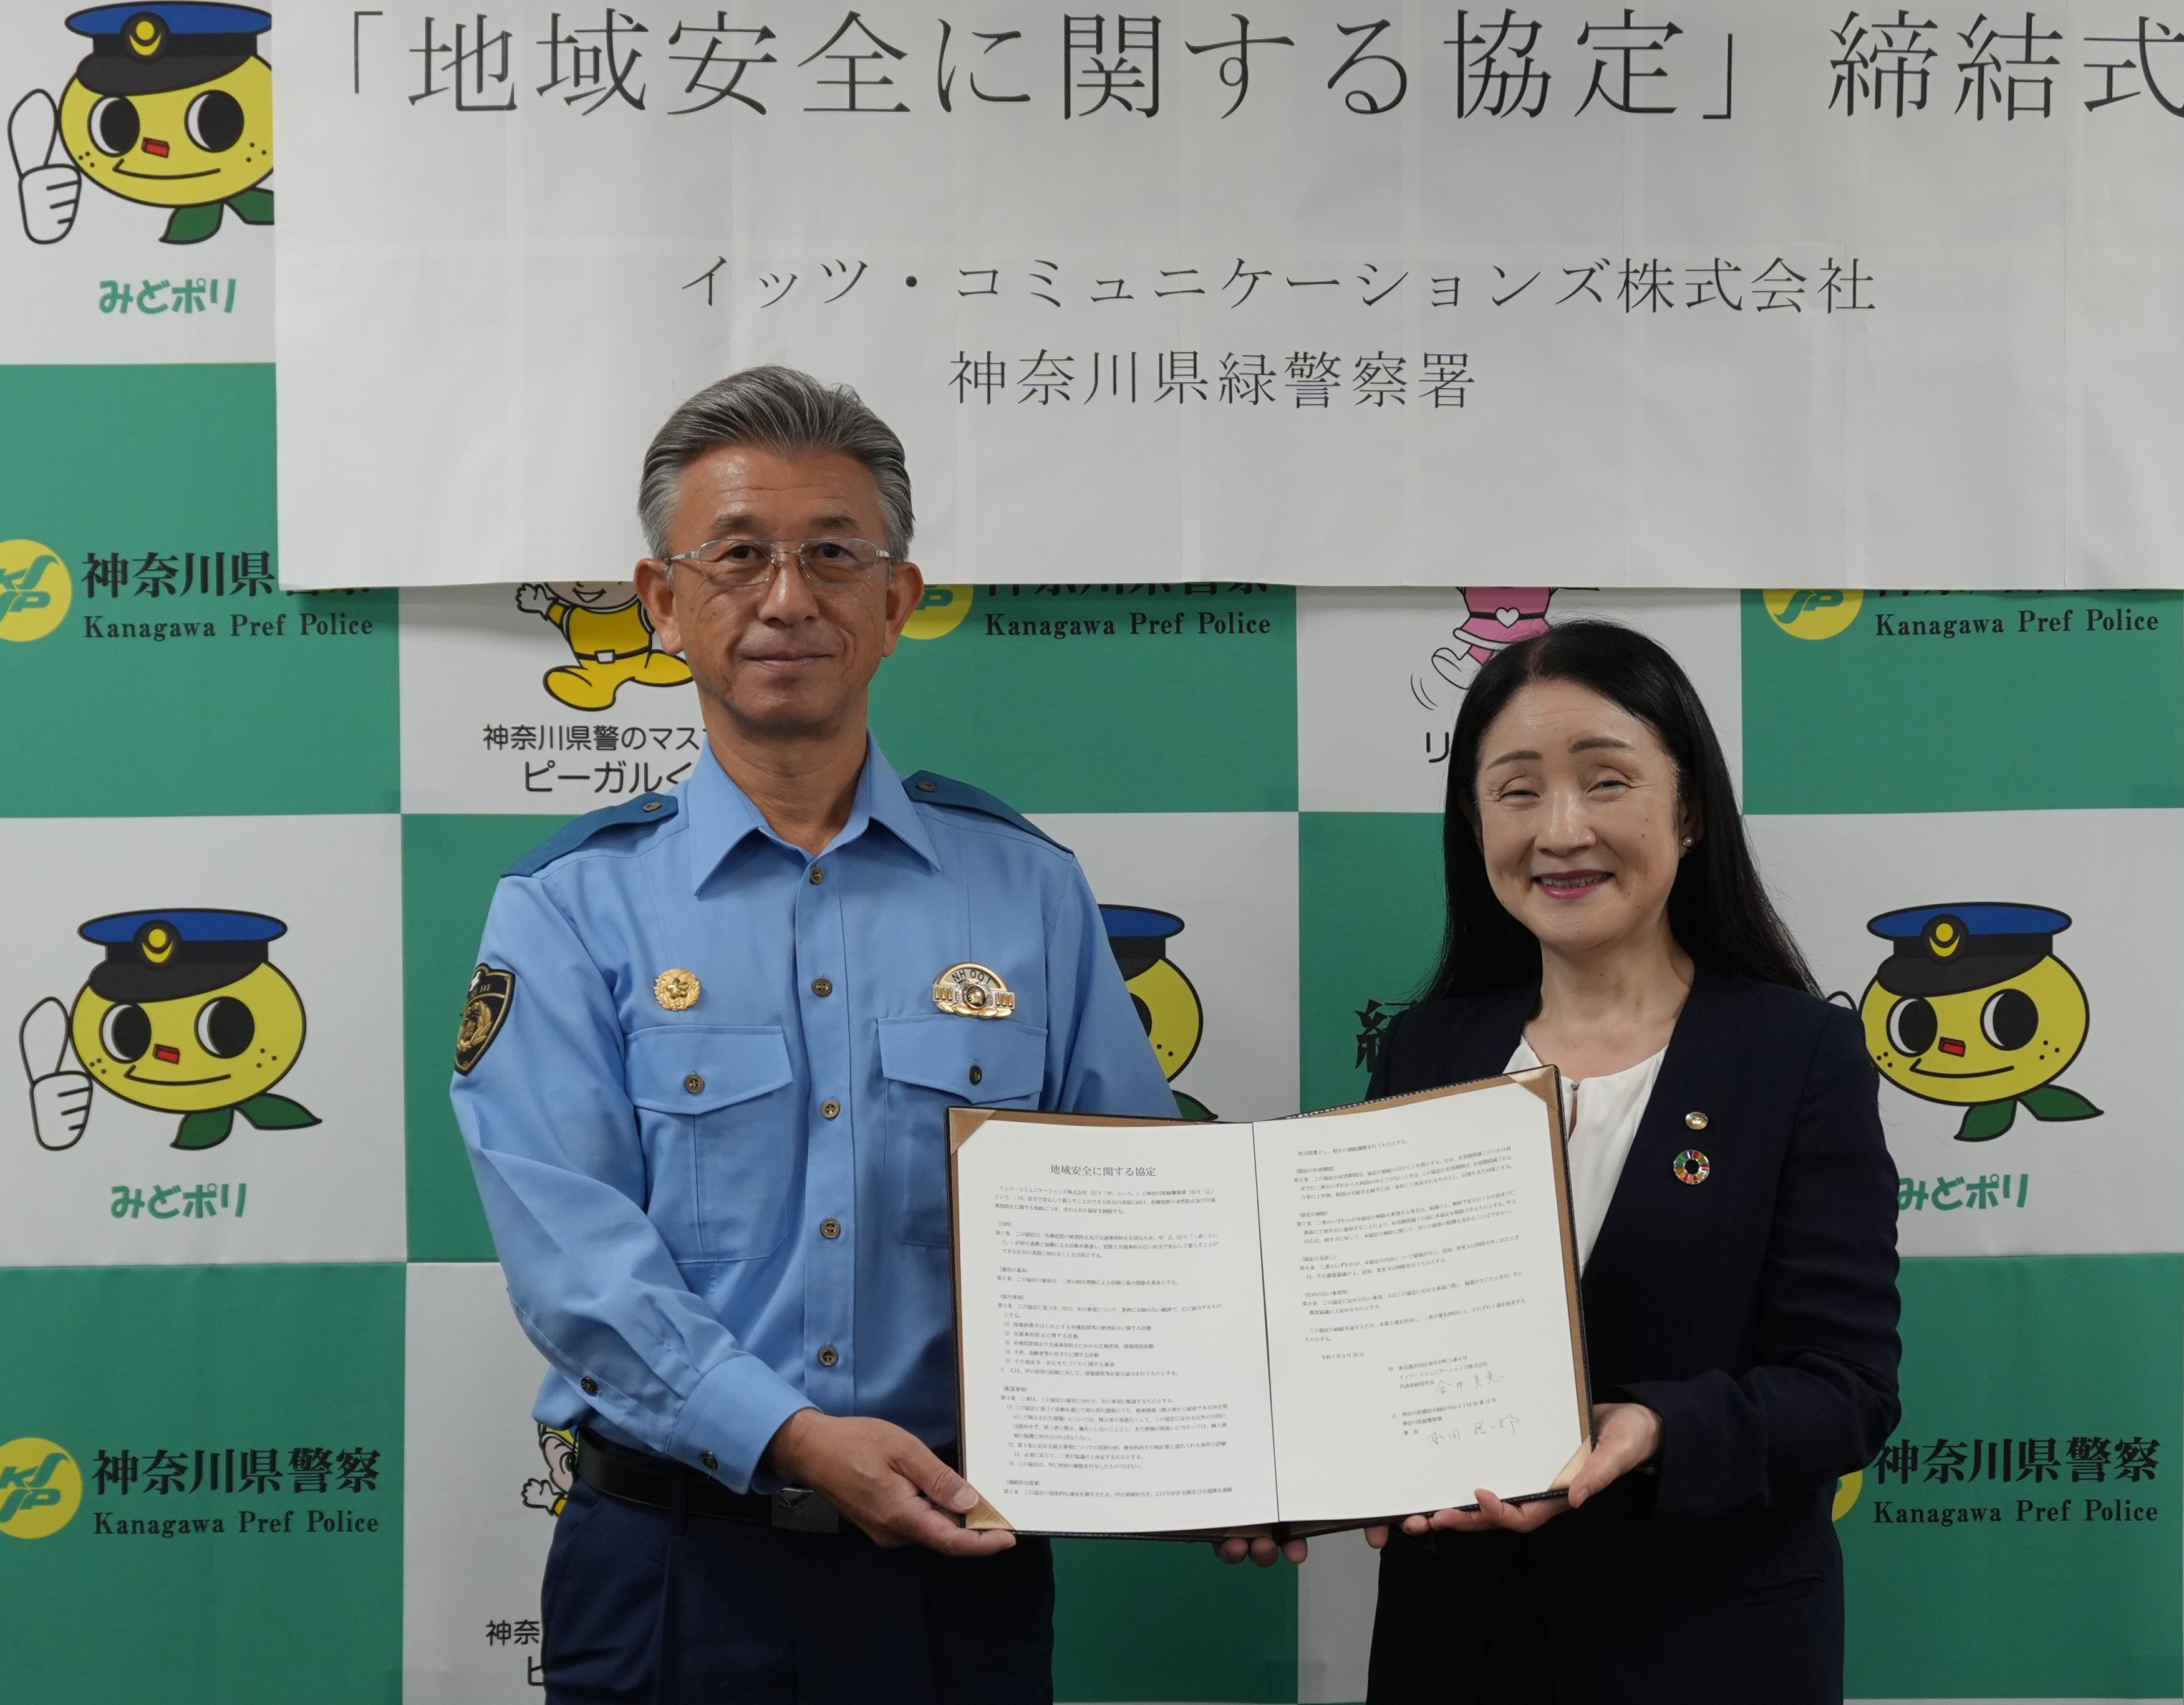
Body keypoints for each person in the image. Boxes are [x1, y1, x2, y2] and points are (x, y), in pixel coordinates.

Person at [452, 366, 1174, 1704]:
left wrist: (1241, 1448)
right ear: (662, 602)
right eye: (738, 557)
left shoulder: (1028, 891)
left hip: (955, 1567)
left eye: (835, 555)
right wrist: (784, 1434)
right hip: (672, 1569)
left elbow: (1139, 1218)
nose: (788, 599)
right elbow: (575, 1263)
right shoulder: (567, 907)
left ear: (898, 602)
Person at [1224, 621, 1898, 1702]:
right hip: (1459, 1652)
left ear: (1689, 809)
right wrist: (1266, 1471)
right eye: (1518, 791)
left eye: (1606, 781)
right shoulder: (1428, 1051)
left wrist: (1653, 1429)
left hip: (1707, 1654)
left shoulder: (1798, 1055)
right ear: (1475, 821)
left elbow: (1846, 1389)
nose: (1562, 830)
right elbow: (1363, 1350)